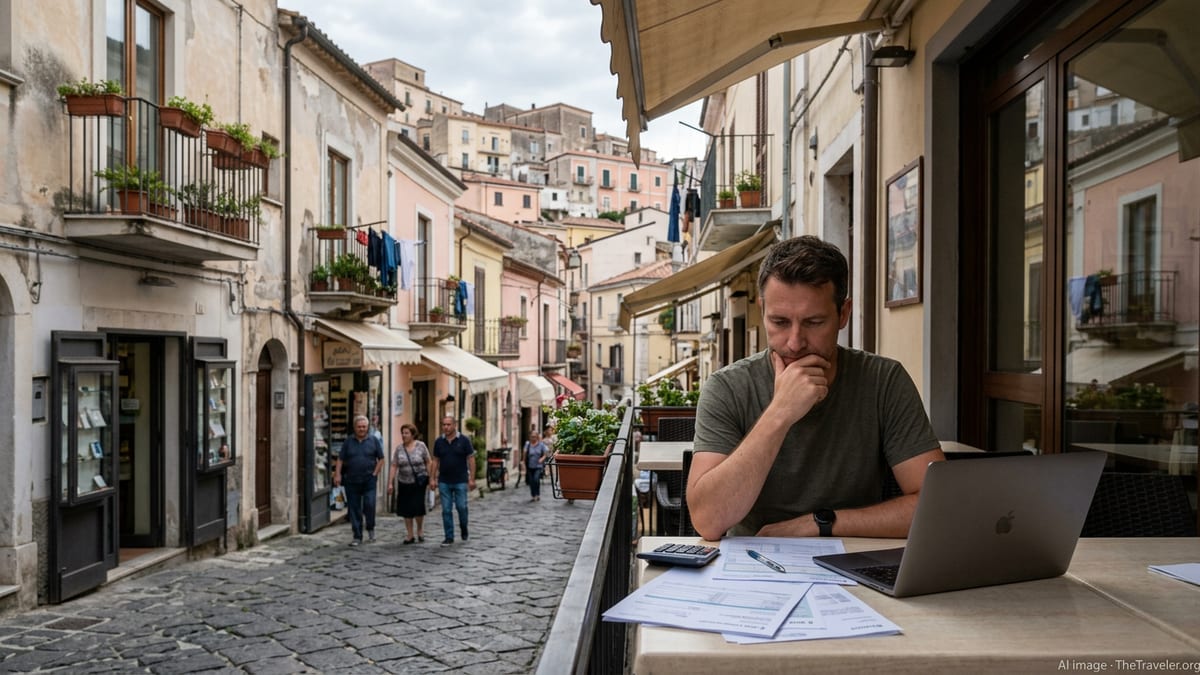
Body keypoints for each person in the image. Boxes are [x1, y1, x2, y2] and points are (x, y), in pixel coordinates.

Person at [687, 236, 943, 541]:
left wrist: (822, 524)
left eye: (814, 322)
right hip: (752, 560)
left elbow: (936, 508)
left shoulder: (884, 381)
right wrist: (780, 413)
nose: (795, 342)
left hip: (854, 558)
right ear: (763, 309)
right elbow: (708, 520)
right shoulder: (727, 387)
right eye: (780, 322)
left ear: (843, 314)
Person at [334, 415, 385, 546]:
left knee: (370, 505)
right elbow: (340, 459)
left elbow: (381, 459)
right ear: (354, 427)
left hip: (369, 480)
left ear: (367, 427)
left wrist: (375, 473)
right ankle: (357, 536)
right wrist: (337, 475)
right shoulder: (348, 442)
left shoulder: (373, 440)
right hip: (351, 480)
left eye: (364, 427)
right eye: (359, 427)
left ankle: (370, 528)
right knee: (354, 508)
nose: (362, 429)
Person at [430, 415, 475, 546]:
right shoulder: (439, 442)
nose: (446, 427)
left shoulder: (464, 440)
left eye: (448, 424)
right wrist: (432, 478)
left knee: (462, 507)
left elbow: (471, 459)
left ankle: (464, 527)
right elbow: (435, 460)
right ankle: (449, 536)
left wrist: (472, 479)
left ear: (455, 425)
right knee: (446, 510)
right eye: (444, 425)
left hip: (460, 480)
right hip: (444, 480)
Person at [388, 423, 432, 544]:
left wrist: (431, 477)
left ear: (412, 434)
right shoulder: (399, 449)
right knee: (406, 509)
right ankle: (410, 534)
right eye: (402, 433)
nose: (404, 435)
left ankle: (420, 530)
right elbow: (394, 465)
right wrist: (390, 483)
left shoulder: (421, 446)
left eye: (406, 433)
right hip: (404, 482)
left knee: (418, 507)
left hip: (419, 482)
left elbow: (428, 461)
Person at [520, 429, 550, 502]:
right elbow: (524, 453)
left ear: (537, 437)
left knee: (536, 479)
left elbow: (546, 453)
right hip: (530, 465)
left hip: (538, 466)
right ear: (530, 437)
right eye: (532, 437)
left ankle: (537, 494)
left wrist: (542, 459)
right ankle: (533, 495)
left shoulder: (541, 445)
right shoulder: (527, 444)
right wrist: (523, 462)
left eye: (534, 437)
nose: (533, 438)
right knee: (531, 481)